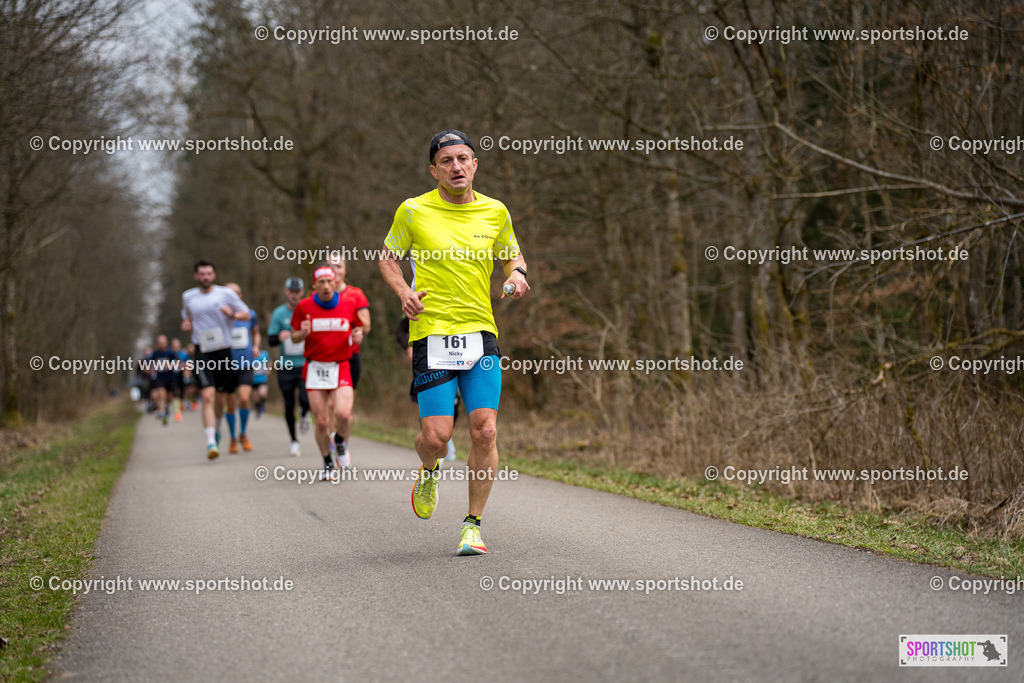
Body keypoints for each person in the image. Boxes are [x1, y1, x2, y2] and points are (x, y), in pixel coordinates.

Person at [379, 129, 529, 556]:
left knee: (485, 430)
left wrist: (516, 275)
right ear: (434, 170)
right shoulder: (413, 211)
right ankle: (429, 469)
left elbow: (512, 255)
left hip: (480, 333)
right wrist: (403, 292)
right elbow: (388, 257)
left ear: (475, 164)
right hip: (431, 333)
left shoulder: (496, 211)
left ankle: (472, 525)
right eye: (446, 161)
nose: (456, 167)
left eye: (463, 158)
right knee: (437, 436)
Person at [290, 264, 363, 480]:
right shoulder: (304, 306)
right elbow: (293, 336)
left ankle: (340, 440)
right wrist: (301, 334)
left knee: (343, 413)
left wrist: (357, 337)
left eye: (329, 281)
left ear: (335, 283)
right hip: (315, 367)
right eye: (321, 282)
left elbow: (357, 328)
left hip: (341, 364)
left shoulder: (349, 303)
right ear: (314, 285)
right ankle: (327, 462)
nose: (325, 286)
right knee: (321, 421)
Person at [181, 260, 251, 459]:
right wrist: (187, 325)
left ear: (214, 275)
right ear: (196, 276)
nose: (205, 277)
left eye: (209, 273)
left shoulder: (225, 294)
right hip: (202, 350)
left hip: (223, 350)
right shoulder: (188, 296)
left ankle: (218, 427)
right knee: (207, 395)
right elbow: (187, 319)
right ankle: (210, 441)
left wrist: (233, 313)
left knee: (221, 397)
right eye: (201, 274)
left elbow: (246, 314)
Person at [325, 255, 370, 467]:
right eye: (331, 266)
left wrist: (358, 330)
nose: (335, 269)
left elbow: (366, 324)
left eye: (339, 266)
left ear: (345, 269)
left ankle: (343, 442)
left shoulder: (355, 294)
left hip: (350, 357)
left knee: (345, 408)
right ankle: (333, 439)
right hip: (325, 358)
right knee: (329, 405)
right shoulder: (319, 295)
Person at [396, 316, 457, 461]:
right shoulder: (422, 305)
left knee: (456, 403)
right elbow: (399, 331)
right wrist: (408, 347)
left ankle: (446, 436)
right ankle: (434, 435)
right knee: (429, 406)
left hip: (459, 359)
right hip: (430, 360)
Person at [268, 277, 312, 457]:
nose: (294, 295)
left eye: (297, 292)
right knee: (287, 404)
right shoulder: (279, 314)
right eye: (291, 292)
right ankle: (294, 440)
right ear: (286, 292)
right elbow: (270, 340)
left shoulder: (308, 310)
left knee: (305, 398)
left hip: (304, 363)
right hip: (285, 365)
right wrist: (279, 336)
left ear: (302, 292)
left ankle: (305, 413)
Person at [224, 282, 259, 453]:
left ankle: (243, 434)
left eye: (235, 294)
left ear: (240, 296)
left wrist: (256, 346)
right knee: (230, 406)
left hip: (246, 363)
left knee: (244, 399)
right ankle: (232, 438)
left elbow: (256, 331)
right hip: (226, 365)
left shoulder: (249, 314)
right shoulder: (220, 315)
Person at [147, 335, 179, 426]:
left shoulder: (171, 352)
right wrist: (151, 368)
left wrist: (170, 365)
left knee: (169, 397)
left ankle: (166, 407)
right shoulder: (155, 353)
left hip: (170, 377)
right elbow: (151, 364)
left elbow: (176, 363)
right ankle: (162, 413)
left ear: (166, 343)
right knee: (161, 393)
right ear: (157, 344)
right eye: (160, 343)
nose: (162, 345)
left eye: (163, 343)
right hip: (160, 377)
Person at [251, 340, 270, 417]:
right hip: (253, 380)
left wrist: (268, 369)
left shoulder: (264, 355)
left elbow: (269, 362)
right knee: (255, 398)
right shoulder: (249, 356)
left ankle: (262, 404)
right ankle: (258, 408)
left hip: (262, 379)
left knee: (263, 394)